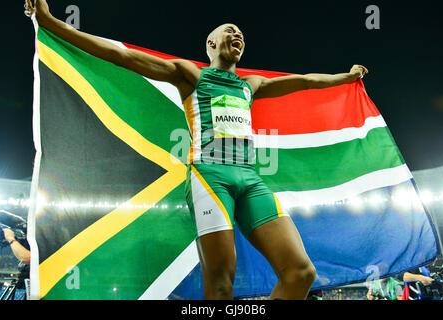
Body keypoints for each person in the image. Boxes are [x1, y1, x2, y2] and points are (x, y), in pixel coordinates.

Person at [25, 0, 368, 300]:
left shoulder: (252, 85)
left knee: (301, 273)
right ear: (211, 43)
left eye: (242, 37)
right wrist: (51, 22)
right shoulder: (190, 75)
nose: (238, 37)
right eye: (231, 32)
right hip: (209, 178)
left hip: (250, 179)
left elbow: (306, 81)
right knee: (220, 286)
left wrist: (346, 76)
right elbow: (121, 56)